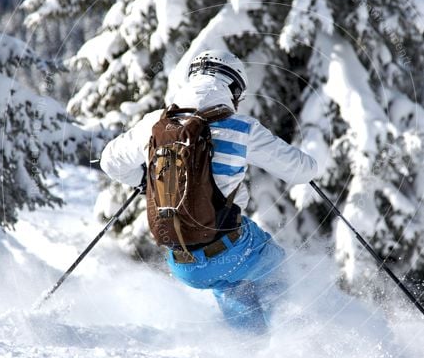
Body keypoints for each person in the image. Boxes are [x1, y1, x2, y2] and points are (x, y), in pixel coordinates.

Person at [100, 50, 318, 333]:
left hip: (181, 262)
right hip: (231, 250)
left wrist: (142, 179)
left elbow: (109, 162)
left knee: (231, 281)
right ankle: (300, 340)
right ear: (233, 88)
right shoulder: (242, 127)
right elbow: (302, 170)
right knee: (279, 268)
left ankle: (253, 350)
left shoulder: (155, 124)